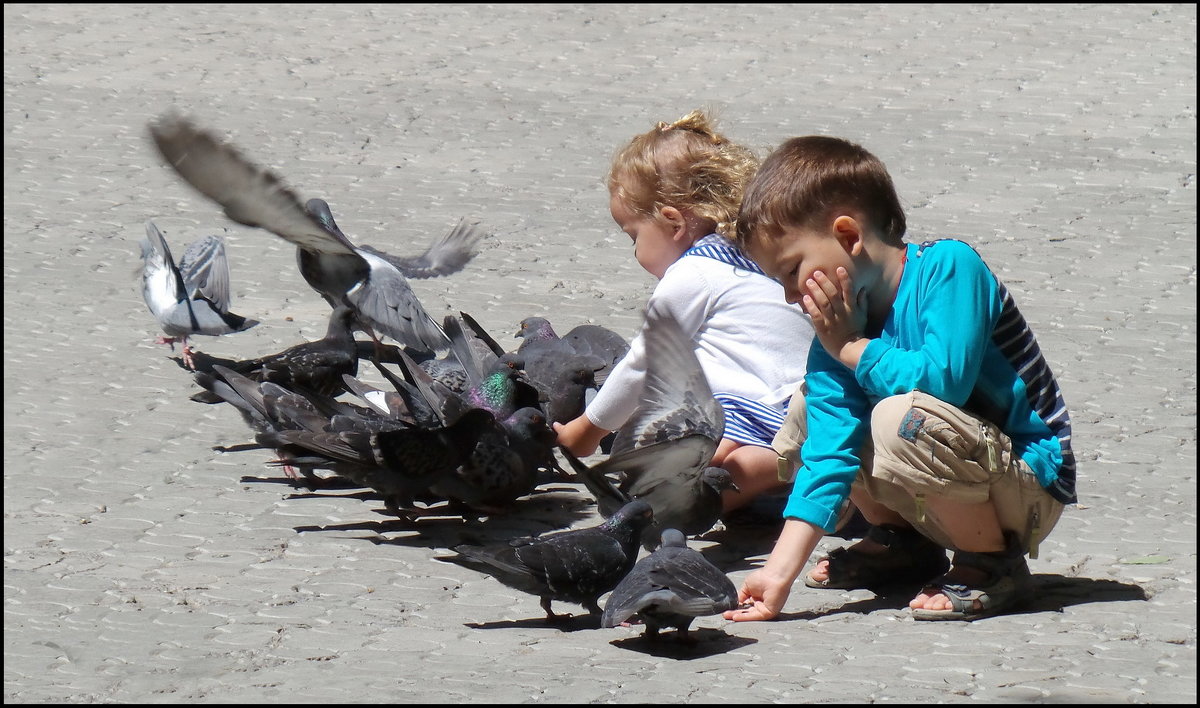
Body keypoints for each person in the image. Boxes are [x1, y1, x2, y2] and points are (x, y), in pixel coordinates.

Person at [723, 135, 1076, 622]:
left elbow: (942, 382)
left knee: (898, 415)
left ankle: (991, 564)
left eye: (791, 271)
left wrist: (854, 348)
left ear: (848, 236)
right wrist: (777, 574)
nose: (789, 297)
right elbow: (828, 449)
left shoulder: (950, 268)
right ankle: (902, 544)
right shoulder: (839, 331)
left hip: (1026, 482)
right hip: (952, 474)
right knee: (812, 411)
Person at [554, 110, 815, 510]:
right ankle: (781, 474)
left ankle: (739, 487)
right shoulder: (756, 256)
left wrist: (587, 430)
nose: (636, 253)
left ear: (673, 222)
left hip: (743, 407)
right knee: (730, 463)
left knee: (682, 466)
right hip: (805, 409)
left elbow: (643, 364)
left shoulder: (695, 272)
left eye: (634, 237)